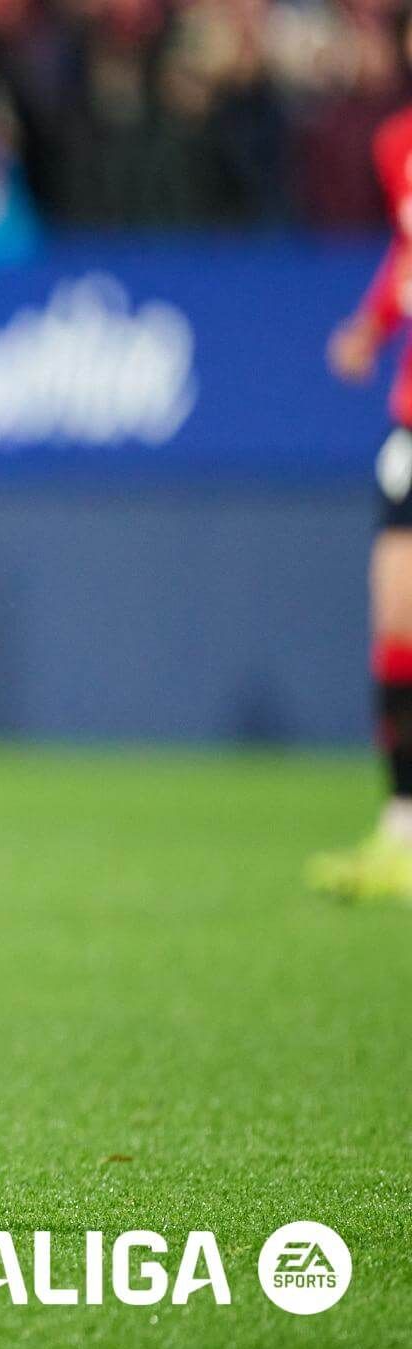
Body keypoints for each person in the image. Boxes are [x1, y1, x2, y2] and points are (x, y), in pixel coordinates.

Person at [313, 85, 412, 903]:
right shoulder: (397, 143)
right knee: (396, 613)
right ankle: (401, 831)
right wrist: (372, 327)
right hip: (411, 419)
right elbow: (406, 251)